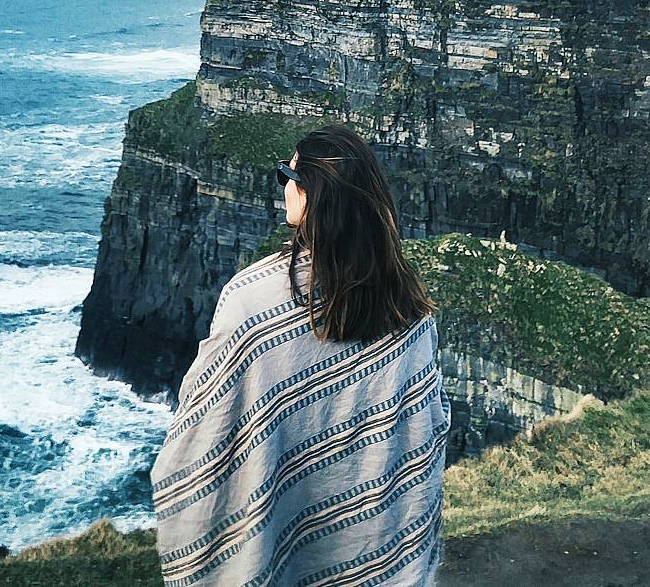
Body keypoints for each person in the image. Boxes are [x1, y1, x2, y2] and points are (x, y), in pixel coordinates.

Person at [149, 122, 452, 585]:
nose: (284, 188)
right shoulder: (406, 302)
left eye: (286, 176)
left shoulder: (252, 301)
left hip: (294, 546)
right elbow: (424, 432)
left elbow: (204, 428)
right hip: (380, 555)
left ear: (310, 193)